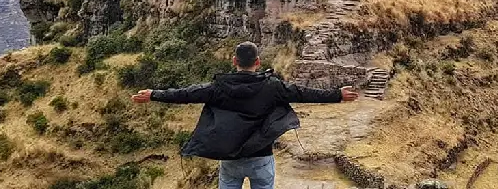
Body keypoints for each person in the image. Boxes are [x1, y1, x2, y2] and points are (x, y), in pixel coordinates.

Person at [131, 41, 359, 189]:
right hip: (261, 158)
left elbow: (187, 94)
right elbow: (303, 93)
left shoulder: (218, 88)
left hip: (230, 160)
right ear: (258, 62)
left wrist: (154, 94)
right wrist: (337, 94)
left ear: (234, 62)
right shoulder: (273, 86)